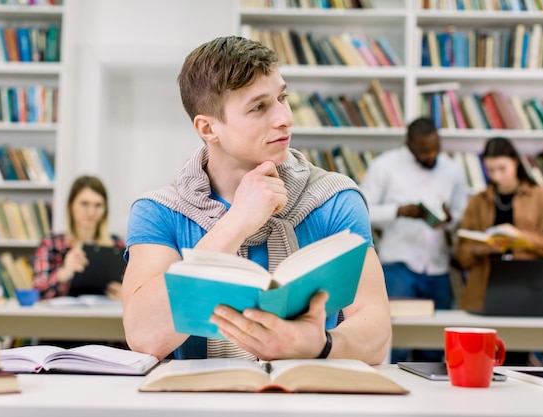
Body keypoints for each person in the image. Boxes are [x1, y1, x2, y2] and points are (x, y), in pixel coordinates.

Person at [121, 36, 391, 364]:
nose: (285, 118)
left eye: (282, 97)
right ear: (208, 128)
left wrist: (321, 346)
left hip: (310, 400)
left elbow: (377, 332)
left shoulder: (335, 197)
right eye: (259, 107)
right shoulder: (158, 210)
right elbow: (145, 337)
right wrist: (236, 223)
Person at [360, 116, 468, 362]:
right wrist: (398, 211)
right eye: (424, 151)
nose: (431, 156)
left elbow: (461, 216)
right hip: (398, 265)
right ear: (408, 144)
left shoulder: (453, 171)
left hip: (438, 268)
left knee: (435, 346)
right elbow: (362, 210)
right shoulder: (384, 166)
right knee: (396, 341)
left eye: (435, 149)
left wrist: (450, 219)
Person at [455, 137, 543, 312]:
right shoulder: (478, 202)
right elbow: (462, 255)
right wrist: (487, 248)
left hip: (530, 287)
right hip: (484, 290)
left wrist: (523, 238)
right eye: (490, 170)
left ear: (516, 162)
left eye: (502, 169)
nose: (497, 176)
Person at [33, 175, 126, 300]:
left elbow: (134, 287)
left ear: (105, 209)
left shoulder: (117, 245)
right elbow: (38, 292)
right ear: (71, 205)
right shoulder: (51, 243)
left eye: (98, 205)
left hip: (105, 315)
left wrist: (125, 294)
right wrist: (64, 273)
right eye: (84, 204)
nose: (91, 212)